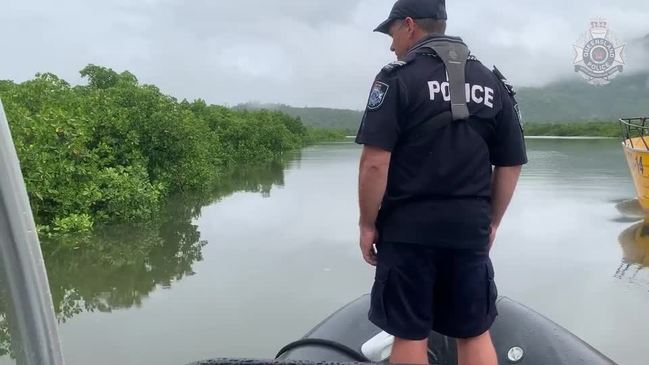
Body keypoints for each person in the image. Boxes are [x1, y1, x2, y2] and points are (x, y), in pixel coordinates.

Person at [355, 0, 528, 364]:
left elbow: (375, 163)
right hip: (469, 229)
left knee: (410, 334)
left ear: (409, 26)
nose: (391, 45)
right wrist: (492, 221)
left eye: (392, 34)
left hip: (408, 231)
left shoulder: (397, 77)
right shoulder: (492, 81)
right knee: (474, 332)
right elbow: (510, 164)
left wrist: (367, 223)